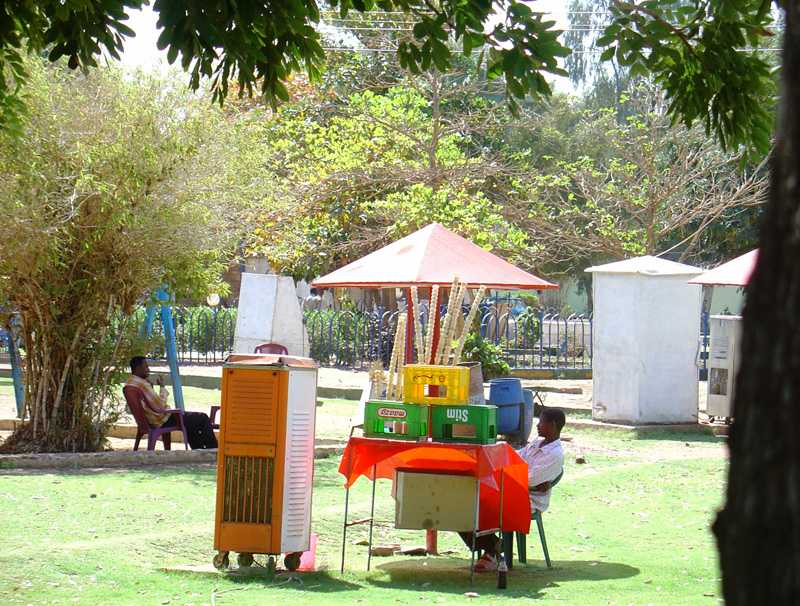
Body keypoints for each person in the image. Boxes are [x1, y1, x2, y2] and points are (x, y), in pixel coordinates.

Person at [461, 407, 566, 572]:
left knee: (477, 504)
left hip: (528, 499)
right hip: (512, 488)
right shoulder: (537, 443)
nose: (537, 426)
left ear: (553, 425)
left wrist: (508, 472)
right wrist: (501, 457)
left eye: (541, 422)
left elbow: (528, 479)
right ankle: (493, 547)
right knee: (463, 502)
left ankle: (491, 550)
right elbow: (515, 457)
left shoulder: (555, 454)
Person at [124, 356, 218, 450]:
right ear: (138, 368)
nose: (148, 369)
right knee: (203, 418)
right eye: (146, 367)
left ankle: (199, 450)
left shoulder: (130, 383)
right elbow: (160, 406)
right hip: (163, 420)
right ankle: (214, 449)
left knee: (191, 423)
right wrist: (162, 387)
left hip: (148, 421)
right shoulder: (142, 384)